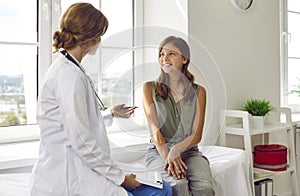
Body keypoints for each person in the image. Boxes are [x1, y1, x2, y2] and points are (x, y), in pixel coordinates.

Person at [30, 3, 172, 196]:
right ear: (91, 38)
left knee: (163, 188)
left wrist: (110, 113)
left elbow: (75, 123)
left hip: (79, 166)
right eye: (100, 34)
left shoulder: (68, 67)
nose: (100, 39)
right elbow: (81, 141)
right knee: (161, 191)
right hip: (71, 176)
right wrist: (122, 179)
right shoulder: (69, 77)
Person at [142, 36, 215, 196]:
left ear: (184, 59)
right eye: (161, 54)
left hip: (190, 151)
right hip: (159, 150)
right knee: (177, 186)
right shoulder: (149, 88)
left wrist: (177, 149)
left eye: (171, 54)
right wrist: (169, 155)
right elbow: (155, 131)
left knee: (205, 188)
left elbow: (197, 134)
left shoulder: (199, 92)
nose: (164, 59)